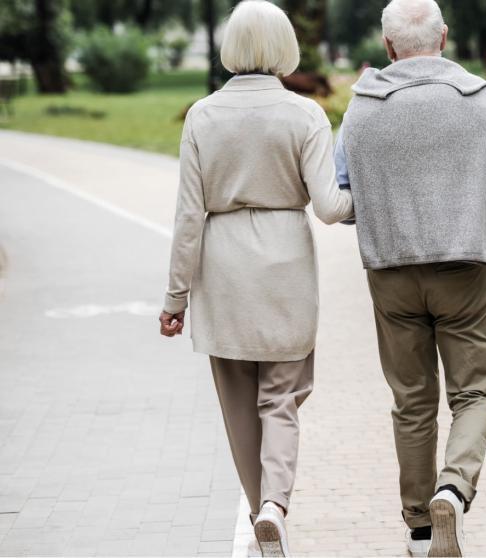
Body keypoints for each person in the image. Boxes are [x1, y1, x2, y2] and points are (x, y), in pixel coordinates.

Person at [334, 0, 486, 555]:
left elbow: (343, 195)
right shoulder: (479, 102)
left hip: (391, 271)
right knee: (475, 392)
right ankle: (454, 486)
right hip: (467, 269)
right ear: (444, 37)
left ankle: (422, 526)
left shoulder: (362, 108)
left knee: (412, 400)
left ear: (388, 46)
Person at [158, 2, 354, 556]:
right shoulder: (305, 114)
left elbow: (187, 216)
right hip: (284, 264)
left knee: (239, 402)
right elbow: (330, 207)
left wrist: (175, 296)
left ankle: (258, 516)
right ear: (283, 46)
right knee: (282, 398)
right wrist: (368, 196)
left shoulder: (202, 115)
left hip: (222, 269)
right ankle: (275, 507)